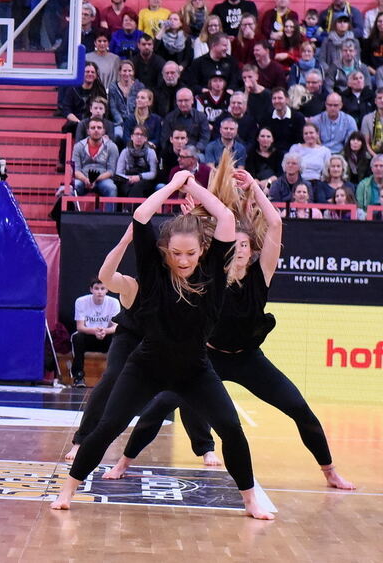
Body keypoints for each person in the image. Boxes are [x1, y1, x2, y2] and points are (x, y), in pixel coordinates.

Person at [105, 171, 356, 490]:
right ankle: (124, 462)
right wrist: (192, 205)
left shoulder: (261, 273)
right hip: (206, 357)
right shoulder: (211, 276)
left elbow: (275, 225)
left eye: (244, 245)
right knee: (160, 406)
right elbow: (194, 241)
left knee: (298, 408)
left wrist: (254, 188)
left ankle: (330, 471)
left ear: (251, 249)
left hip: (249, 359)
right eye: (232, 245)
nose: (238, 250)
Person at [51, 164, 274, 520]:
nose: (183, 260)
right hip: (147, 367)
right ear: (165, 251)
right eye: (175, 254)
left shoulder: (213, 269)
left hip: (195, 370)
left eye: (189, 253)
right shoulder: (154, 274)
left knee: (231, 428)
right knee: (109, 425)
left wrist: (194, 186)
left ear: (202, 250)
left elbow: (226, 219)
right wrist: (172, 185)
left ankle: (249, 499)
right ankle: (68, 489)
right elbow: (141, 217)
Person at [62, 224, 219, 467]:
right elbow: (106, 276)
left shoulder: (184, 278)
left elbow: (207, 256)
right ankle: (81, 440)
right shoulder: (134, 284)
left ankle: (205, 447)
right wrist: (125, 240)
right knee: (112, 377)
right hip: (132, 338)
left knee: (191, 384)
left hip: (165, 343)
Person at [70, 278, 120, 388]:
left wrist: (105, 331)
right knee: (77, 337)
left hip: (105, 336)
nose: (99, 292)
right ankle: (78, 377)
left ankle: (114, 378)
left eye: (102, 289)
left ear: (107, 290)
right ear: (91, 290)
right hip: (89, 336)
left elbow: (116, 326)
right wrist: (95, 331)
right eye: (96, 288)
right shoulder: (81, 301)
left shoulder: (114, 302)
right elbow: (80, 327)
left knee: (119, 338)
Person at [72, 118, 119, 198]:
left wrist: (94, 179)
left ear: (104, 131)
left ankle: (110, 211)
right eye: (93, 128)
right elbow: (76, 170)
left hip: (103, 178)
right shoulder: (78, 146)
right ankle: (73, 210)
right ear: (88, 131)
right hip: (83, 179)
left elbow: (111, 171)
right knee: (72, 188)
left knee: (111, 188)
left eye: (99, 128)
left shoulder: (112, 147)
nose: (96, 130)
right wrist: (85, 179)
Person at [116, 125, 158, 198]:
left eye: (142, 135)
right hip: (128, 179)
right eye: (137, 134)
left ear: (145, 139)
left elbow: (153, 173)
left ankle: (130, 208)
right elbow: (119, 172)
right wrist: (129, 178)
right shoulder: (125, 151)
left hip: (144, 179)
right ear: (132, 137)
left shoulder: (151, 152)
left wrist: (139, 177)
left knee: (138, 186)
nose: (139, 137)